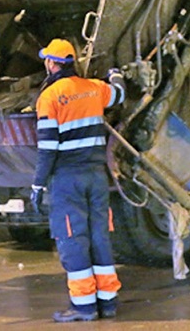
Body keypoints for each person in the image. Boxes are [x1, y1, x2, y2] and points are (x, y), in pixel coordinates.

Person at [30, 39, 125, 323]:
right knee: (99, 236)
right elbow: (119, 94)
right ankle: (107, 303)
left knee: (72, 238)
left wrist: (37, 184)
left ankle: (83, 307)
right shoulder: (94, 88)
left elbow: (47, 148)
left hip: (67, 179)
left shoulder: (50, 97)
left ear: (51, 63)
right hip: (96, 176)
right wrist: (116, 75)